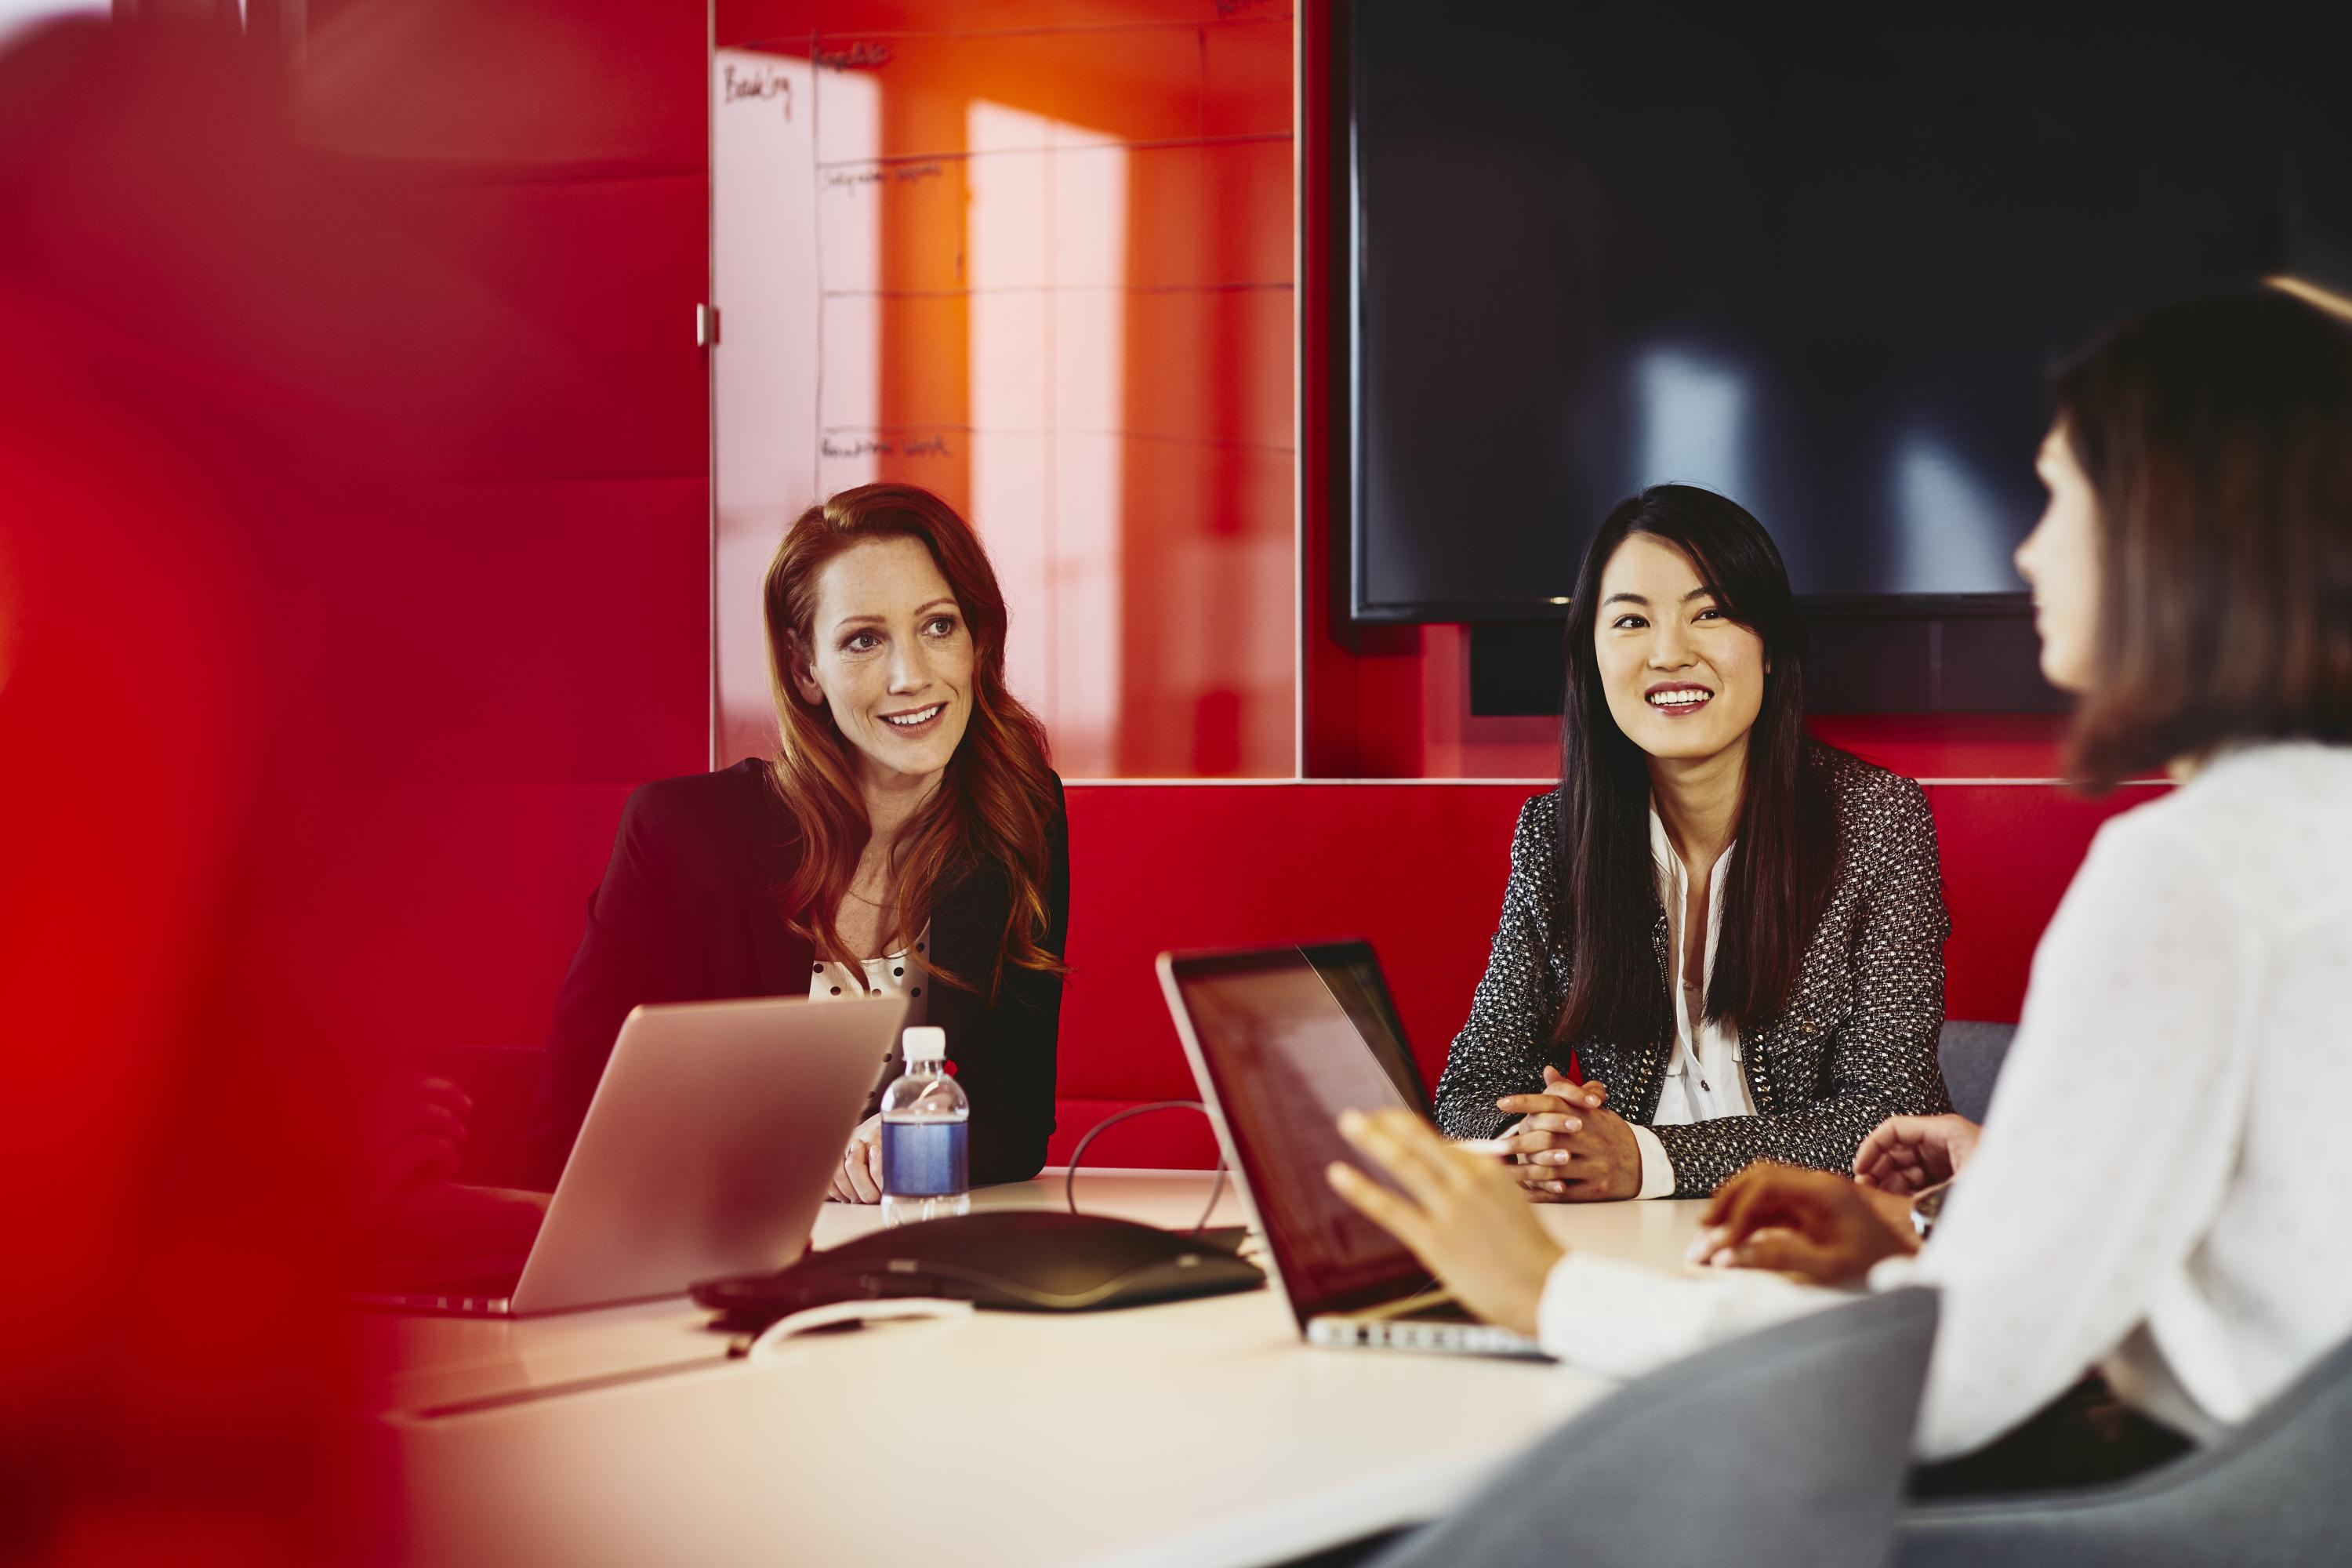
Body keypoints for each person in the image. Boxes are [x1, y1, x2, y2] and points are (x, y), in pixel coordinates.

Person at [1330, 289, 2352, 1481]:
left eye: (2058, 494)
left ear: (2177, 530)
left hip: (2179, 1509)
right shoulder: (2297, 832)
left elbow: (1952, 1383)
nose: (2025, 548)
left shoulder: (2187, 872)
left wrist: (1548, 1291)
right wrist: (1903, 1253)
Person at [526, 483, 1070, 1199]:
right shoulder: (681, 834)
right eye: (864, 640)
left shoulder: (1018, 815)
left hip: (909, 1249)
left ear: (977, 641)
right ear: (806, 669)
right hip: (703, 1250)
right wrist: (799, 1158)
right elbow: (573, 1126)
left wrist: (915, 1139)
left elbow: (1019, 1115)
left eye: (939, 626)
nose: (912, 676)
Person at [1434, 484, 1952, 1200]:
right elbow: (1474, 1086)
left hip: (1828, 1239)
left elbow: (1892, 1115)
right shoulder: (1554, 837)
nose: (1669, 654)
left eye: (1709, 614)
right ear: (1590, 658)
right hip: (1618, 1239)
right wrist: (1538, 1137)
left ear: (1769, 648)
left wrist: (1645, 1159)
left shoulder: (1875, 820)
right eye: (1631, 622)